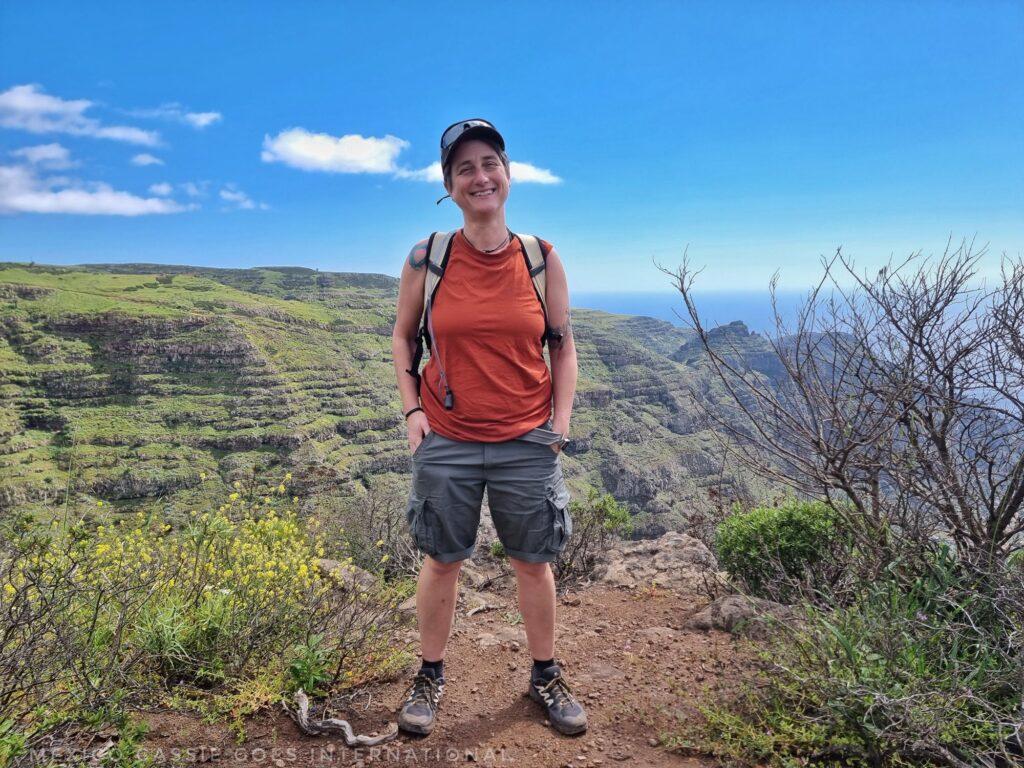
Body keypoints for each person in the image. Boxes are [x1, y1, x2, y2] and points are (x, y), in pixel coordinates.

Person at [390, 119, 586, 737]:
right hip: (446, 438)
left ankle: (545, 675)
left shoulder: (540, 257)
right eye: (465, 169)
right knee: (442, 560)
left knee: (533, 562)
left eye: (490, 164)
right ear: (449, 187)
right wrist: (413, 411)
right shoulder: (429, 257)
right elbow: (402, 335)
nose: (481, 177)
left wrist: (559, 424)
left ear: (507, 174)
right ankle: (429, 676)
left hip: (526, 439)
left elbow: (562, 343)